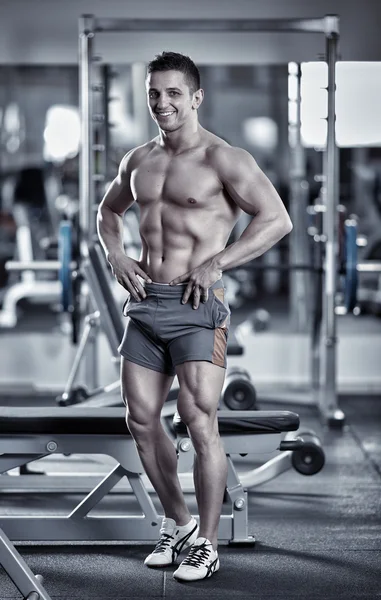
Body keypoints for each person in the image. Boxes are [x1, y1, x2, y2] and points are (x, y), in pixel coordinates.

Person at [97, 51, 292, 582]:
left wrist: (217, 262)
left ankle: (206, 541)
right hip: (145, 306)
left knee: (199, 420)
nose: (163, 103)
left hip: (197, 307)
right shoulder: (137, 160)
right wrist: (116, 254)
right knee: (139, 420)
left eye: (174, 93)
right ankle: (177, 522)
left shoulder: (225, 160)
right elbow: (108, 212)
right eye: (154, 93)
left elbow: (277, 220)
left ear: (197, 97)